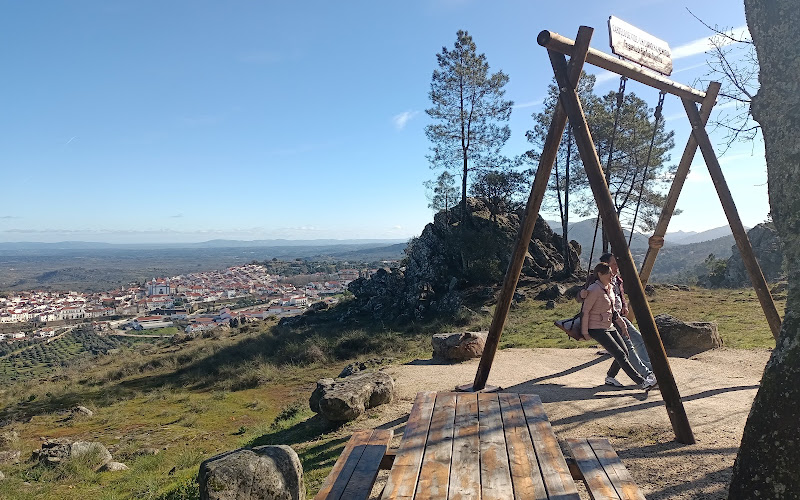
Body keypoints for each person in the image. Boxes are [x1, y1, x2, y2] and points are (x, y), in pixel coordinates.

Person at [580, 253, 655, 388]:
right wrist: (584, 331)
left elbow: (617, 299)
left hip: (616, 318)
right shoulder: (594, 282)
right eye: (614, 264)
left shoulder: (614, 281)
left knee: (635, 342)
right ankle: (645, 377)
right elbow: (584, 303)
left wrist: (624, 309)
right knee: (624, 350)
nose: (617, 267)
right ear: (605, 266)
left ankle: (613, 376)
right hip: (600, 323)